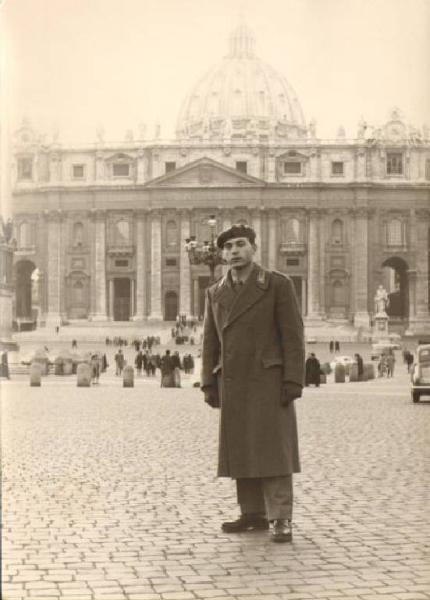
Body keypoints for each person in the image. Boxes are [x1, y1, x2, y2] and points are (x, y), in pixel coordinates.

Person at [201, 224, 304, 544]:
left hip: (268, 380)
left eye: (240, 245)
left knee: (274, 451)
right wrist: (208, 382)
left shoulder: (276, 284)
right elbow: (209, 341)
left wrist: (293, 379)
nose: (233, 251)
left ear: (254, 248)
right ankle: (252, 513)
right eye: (228, 247)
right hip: (233, 381)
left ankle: (281, 517)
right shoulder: (215, 291)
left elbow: (293, 335)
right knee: (241, 448)